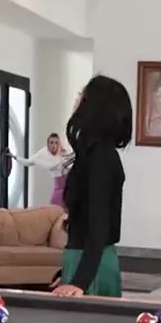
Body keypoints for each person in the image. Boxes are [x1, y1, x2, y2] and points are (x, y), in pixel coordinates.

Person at [51, 75, 133, 299]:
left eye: (83, 95)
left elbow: (99, 226)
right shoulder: (92, 154)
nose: (77, 99)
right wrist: (68, 272)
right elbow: (84, 220)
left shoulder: (101, 157)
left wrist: (80, 280)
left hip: (93, 269)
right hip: (84, 261)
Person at [9, 133, 72, 207]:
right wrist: (15, 157)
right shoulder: (43, 154)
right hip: (59, 187)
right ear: (48, 144)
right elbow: (28, 162)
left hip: (70, 186)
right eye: (51, 142)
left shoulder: (64, 152)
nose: (54, 145)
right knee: (55, 207)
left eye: (56, 143)